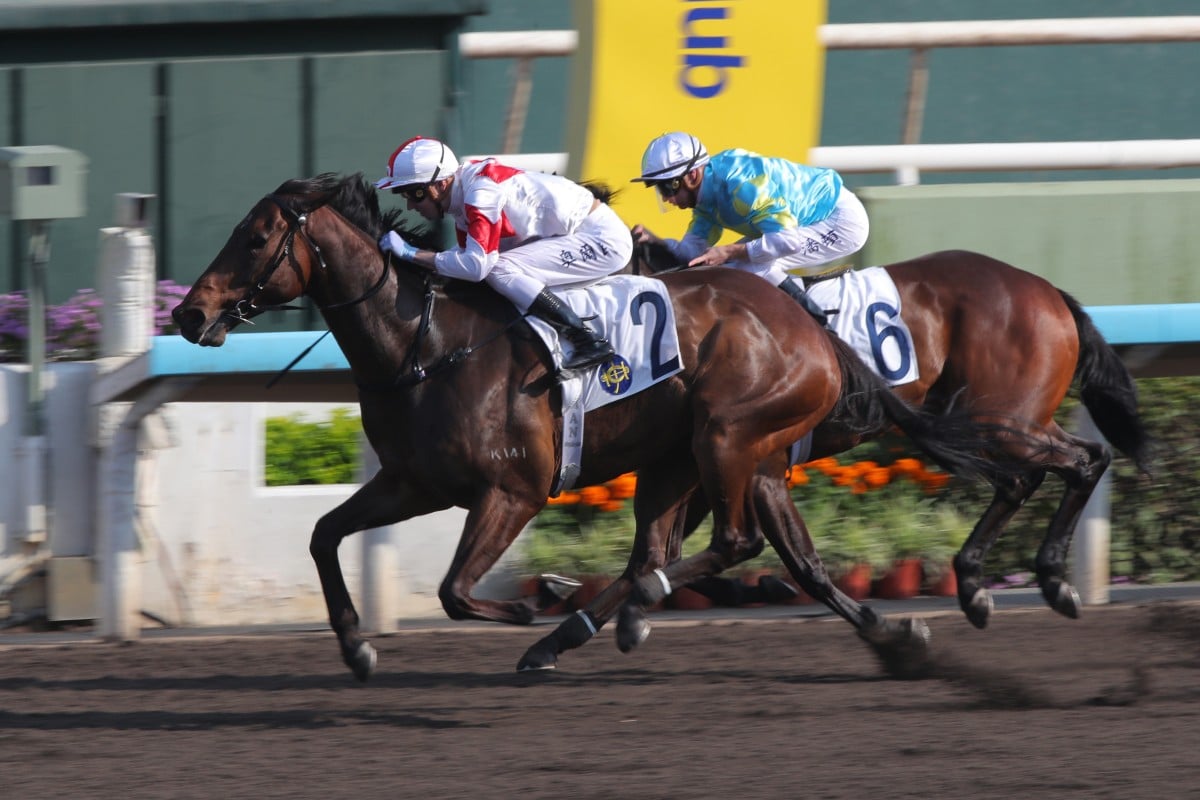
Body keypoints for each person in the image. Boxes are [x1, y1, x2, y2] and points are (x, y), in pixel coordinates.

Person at [374, 136, 632, 371]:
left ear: (441, 184)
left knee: (498, 269)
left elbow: (477, 266)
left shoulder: (480, 193)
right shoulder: (462, 196)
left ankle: (586, 340)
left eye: (413, 194)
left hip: (601, 240)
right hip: (577, 234)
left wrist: (411, 254)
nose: (409, 205)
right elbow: (464, 256)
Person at [629, 132, 869, 325]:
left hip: (839, 220)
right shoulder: (703, 200)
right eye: (660, 191)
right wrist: (657, 241)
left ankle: (819, 324)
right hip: (796, 226)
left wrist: (730, 251)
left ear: (692, 176)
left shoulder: (742, 185)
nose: (667, 198)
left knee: (746, 264)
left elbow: (787, 242)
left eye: (667, 189)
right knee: (730, 267)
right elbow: (693, 254)